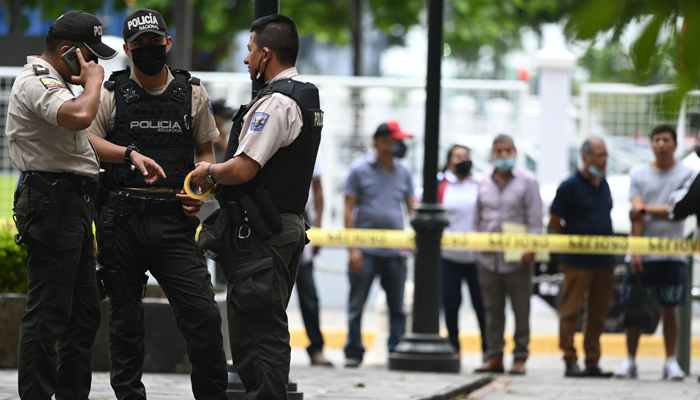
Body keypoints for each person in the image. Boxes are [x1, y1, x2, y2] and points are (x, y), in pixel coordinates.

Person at [6, 10, 159, 400]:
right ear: (71, 52)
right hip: (53, 202)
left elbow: (79, 143)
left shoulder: (56, 84)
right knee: (49, 313)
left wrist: (127, 154)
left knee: (85, 312)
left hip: (71, 205)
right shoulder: (37, 80)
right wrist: (94, 83)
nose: (94, 65)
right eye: (90, 57)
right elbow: (80, 117)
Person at [87, 9, 228, 400]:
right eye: (139, 45)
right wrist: (129, 153)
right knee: (125, 322)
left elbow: (206, 153)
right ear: (128, 50)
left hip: (174, 222)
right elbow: (91, 141)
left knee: (202, 315)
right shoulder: (112, 92)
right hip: (122, 220)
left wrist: (199, 191)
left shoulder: (192, 93)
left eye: (155, 42)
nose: (148, 50)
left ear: (168, 43)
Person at [189, 14, 323, 399]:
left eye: (249, 51)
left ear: (266, 55)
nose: (246, 59)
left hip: (264, 235)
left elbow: (243, 168)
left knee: (258, 334)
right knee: (258, 326)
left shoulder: (276, 103)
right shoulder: (299, 96)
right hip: (275, 229)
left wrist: (208, 171)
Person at [614, 125, 692, 380]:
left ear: (675, 144)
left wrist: (645, 209)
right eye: (656, 140)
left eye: (666, 140)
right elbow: (636, 214)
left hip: (672, 255)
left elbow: (675, 209)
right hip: (642, 257)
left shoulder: (687, 174)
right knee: (634, 309)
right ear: (651, 144)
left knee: (670, 308)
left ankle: (670, 362)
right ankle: (630, 361)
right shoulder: (639, 173)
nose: (661, 144)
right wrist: (636, 251)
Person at [343, 120, 414, 368]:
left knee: (397, 307)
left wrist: (412, 241)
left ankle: (395, 351)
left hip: (395, 251)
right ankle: (353, 352)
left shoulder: (404, 171)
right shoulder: (359, 169)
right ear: (381, 142)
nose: (401, 145)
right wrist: (353, 248)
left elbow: (411, 206)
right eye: (396, 140)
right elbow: (348, 209)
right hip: (365, 250)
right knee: (356, 306)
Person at [474, 134, 542, 375]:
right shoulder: (482, 182)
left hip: (518, 259)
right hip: (488, 258)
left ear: (515, 153)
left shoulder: (528, 181)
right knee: (493, 310)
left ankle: (520, 357)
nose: (503, 156)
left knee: (521, 309)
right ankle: (494, 356)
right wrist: (475, 245)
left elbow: (535, 219)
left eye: (508, 151)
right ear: (492, 154)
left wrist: (531, 247)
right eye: (499, 151)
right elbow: (478, 217)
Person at [549, 137, 615, 378]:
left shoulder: (604, 184)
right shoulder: (569, 186)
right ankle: (569, 359)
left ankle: (592, 360)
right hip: (577, 261)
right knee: (570, 311)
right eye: (600, 155)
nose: (604, 160)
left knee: (598, 314)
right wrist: (572, 243)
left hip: (604, 261)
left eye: (606, 155)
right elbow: (555, 222)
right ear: (585, 157)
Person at [437, 145, 487, 356]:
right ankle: (454, 347)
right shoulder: (441, 184)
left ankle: (488, 349)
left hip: (477, 258)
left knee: (482, 306)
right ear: (449, 161)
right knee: (451, 305)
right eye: (457, 157)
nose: (462, 160)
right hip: (449, 257)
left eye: (465, 156)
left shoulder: (481, 183)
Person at [296, 154, 333, 366]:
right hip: (272, 217)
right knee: (272, 290)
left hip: (302, 219)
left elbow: (318, 189)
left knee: (308, 291)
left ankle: (316, 348)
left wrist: (319, 227)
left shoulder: (310, 143)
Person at [211, 99, 235, 163]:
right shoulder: (205, 142)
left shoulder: (228, 139)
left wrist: (225, 145)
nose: (230, 120)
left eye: (230, 117)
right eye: (226, 117)